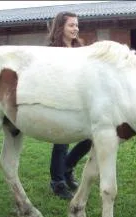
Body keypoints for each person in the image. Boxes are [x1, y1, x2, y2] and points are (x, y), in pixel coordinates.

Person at [46, 12, 92, 199]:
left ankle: (67, 168)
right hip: (59, 101)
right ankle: (57, 182)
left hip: (79, 101)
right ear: (61, 27)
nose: (76, 28)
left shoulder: (80, 48)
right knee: (62, 142)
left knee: (89, 137)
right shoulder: (51, 50)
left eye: (77, 25)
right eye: (71, 25)